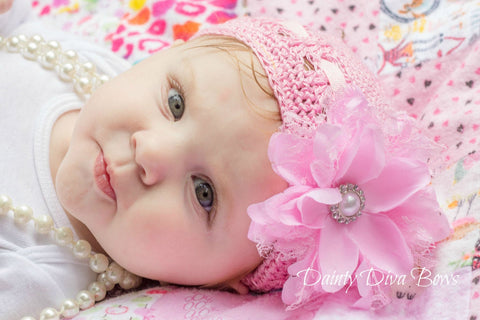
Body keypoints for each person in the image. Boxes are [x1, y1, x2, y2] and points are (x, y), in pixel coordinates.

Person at [0, 0, 451, 319]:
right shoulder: (78, 65)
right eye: (175, 103)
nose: (150, 152)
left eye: (204, 193)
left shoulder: (38, 273)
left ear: (221, 283)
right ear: (167, 55)